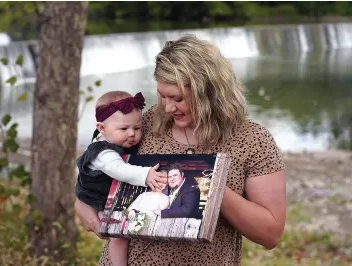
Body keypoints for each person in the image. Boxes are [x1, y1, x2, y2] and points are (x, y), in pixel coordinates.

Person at [75, 34, 286, 266]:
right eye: (163, 96)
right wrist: (81, 206)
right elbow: (95, 164)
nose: (167, 107)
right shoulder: (142, 125)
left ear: (209, 92)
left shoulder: (253, 140)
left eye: (177, 98)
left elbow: (270, 234)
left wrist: (211, 187)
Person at [75, 90, 167, 266]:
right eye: (124, 129)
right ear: (102, 128)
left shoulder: (117, 138)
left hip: (113, 195)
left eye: (137, 128)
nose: (132, 134)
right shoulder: (103, 153)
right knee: (118, 234)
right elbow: (119, 170)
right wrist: (146, 174)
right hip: (97, 200)